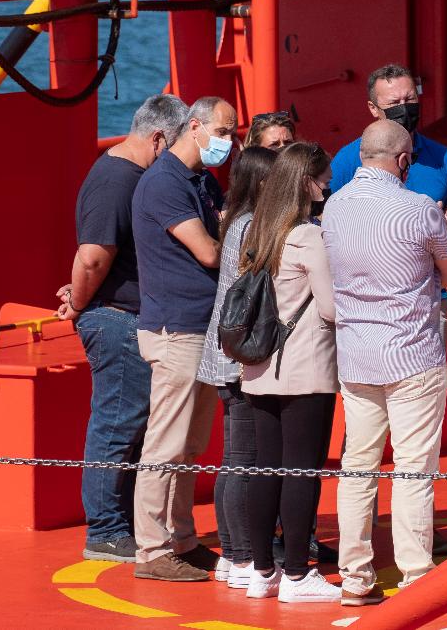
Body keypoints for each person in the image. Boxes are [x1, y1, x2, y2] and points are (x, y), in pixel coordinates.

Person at [321, 120, 447, 610]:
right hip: (413, 354)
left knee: (357, 467)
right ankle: (416, 573)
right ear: (404, 161)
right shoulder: (420, 209)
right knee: (413, 469)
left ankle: (356, 576)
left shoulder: (333, 209)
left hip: (357, 355)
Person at [55, 93, 189, 563]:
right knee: (118, 423)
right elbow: (92, 257)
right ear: (157, 139)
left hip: (128, 315)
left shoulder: (127, 176)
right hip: (116, 318)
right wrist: (80, 302)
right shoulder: (116, 182)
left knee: (132, 425)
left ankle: (124, 522)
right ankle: (106, 528)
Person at [130, 95, 235, 581]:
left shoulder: (200, 181)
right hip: (177, 329)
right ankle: (151, 550)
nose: (227, 141)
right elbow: (210, 251)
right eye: (222, 131)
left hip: (201, 327)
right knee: (165, 444)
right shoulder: (164, 184)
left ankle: (182, 538)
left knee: (190, 444)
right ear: (194, 127)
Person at [236, 142, 341, 602]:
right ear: (306, 182)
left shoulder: (258, 233)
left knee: (265, 469)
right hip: (305, 367)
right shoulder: (309, 236)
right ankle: (298, 573)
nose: (328, 185)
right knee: (302, 470)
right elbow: (333, 307)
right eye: (323, 179)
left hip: (260, 368)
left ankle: (263, 570)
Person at [195, 146, 278, 585]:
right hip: (239, 358)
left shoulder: (235, 223)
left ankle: (232, 552)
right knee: (244, 457)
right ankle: (243, 555)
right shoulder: (252, 229)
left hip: (223, 351)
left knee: (235, 456)